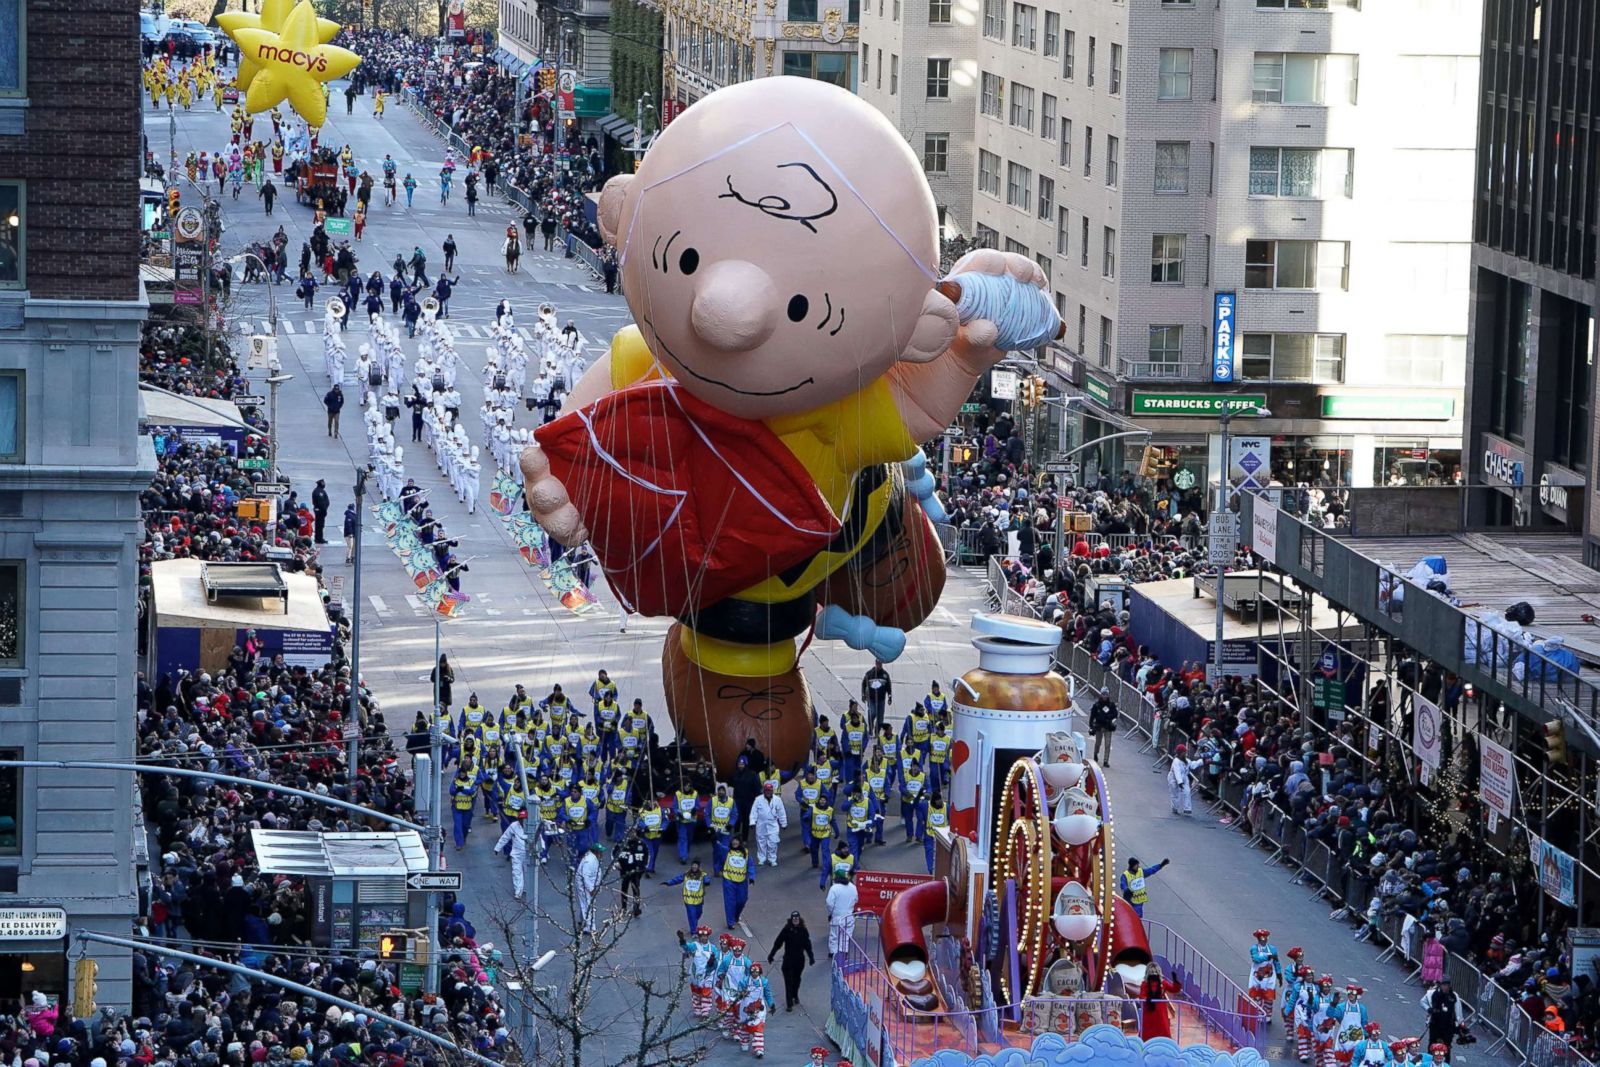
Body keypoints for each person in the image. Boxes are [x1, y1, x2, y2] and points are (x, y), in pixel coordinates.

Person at [766, 911, 815, 1012]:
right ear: (791, 919)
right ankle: (789, 1003)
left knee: (797, 980)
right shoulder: (787, 930)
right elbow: (778, 943)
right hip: (788, 960)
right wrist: (771, 955)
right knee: (788, 982)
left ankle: (795, 995)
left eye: (797, 918)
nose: (795, 920)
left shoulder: (803, 930)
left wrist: (811, 957)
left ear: (799, 919)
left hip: (799, 961)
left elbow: (807, 945)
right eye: (794, 919)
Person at [680, 926, 720, 1018]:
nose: (703, 938)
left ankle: (705, 1012)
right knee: (696, 992)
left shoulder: (713, 948)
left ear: (708, 936)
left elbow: (717, 962)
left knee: (706, 992)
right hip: (695, 974)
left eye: (705, 936)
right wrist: (682, 940)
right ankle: (697, 1009)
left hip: (707, 975)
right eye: (701, 936)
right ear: (699, 936)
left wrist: (712, 963)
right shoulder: (695, 946)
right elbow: (687, 948)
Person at [662, 858, 708, 932]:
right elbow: (677, 879)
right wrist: (668, 883)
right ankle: (693, 931)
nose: (694, 867)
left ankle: (694, 923)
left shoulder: (702, 874)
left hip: (699, 900)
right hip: (688, 900)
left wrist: (706, 880)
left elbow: (707, 880)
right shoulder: (686, 874)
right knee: (692, 915)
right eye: (693, 865)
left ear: (698, 867)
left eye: (696, 865)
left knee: (699, 913)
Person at [749, 780, 787, 867]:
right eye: (766, 791)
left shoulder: (777, 800)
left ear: (772, 791)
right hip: (761, 825)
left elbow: (781, 812)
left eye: (770, 791)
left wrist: (783, 823)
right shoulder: (758, 799)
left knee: (773, 842)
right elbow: (754, 811)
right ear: (764, 791)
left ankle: (772, 859)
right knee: (761, 843)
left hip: (773, 825)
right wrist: (752, 822)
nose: (768, 792)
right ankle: (761, 859)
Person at [1420, 979, 1461, 1058]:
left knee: (1447, 1046)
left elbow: (1458, 1011)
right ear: (1440, 985)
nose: (1446, 987)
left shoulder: (1453, 996)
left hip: (1448, 1025)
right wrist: (1429, 1009)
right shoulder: (1432, 993)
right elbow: (1422, 1002)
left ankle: (1445, 1063)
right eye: (1444, 985)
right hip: (1435, 1024)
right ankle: (1430, 1062)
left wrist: (1458, 1024)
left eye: (1447, 985)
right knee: (1432, 1044)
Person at [494, 809, 531, 899]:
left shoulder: (532, 826)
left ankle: (526, 888)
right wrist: (497, 848)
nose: (522, 821)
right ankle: (518, 891)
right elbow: (505, 837)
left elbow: (538, 837)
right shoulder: (514, 826)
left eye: (524, 819)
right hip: (517, 853)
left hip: (528, 853)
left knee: (527, 871)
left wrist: (541, 849)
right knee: (516, 872)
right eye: (521, 819)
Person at [824, 870, 858, 959]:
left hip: (837, 917)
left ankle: (833, 953)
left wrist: (831, 913)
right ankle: (844, 952)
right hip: (849, 916)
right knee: (846, 936)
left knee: (834, 936)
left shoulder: (834, 888)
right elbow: (856, 900)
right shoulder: (853, 887)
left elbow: (829, 903)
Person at [721, 837, 753, 928]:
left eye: (737, 841)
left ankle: (735, 916)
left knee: (742, 900)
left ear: (740, 842)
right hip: (729, 880)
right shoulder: (727, 851)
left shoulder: (745, 853)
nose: (735, 842)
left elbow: (750, 865)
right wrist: (713, 837)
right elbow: (718, 847)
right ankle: (730, 922)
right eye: (733, 841)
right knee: (730, 902)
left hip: (741, 881)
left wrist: (751, 877)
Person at [617, 828, 648, 916]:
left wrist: (644, 867)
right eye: (629, 832)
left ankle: (636, 908)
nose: (631, 834)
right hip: (625, 870)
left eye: (633, 832)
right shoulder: (621, 843)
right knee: (624, 889)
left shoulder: (641, 844)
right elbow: (614, 853)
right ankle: (624, 908)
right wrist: (616, 862)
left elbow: (647, 855)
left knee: (636, 889)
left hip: (636, 871)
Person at [1168, 742, 1202, 815]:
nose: (1185, 753)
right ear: (1180, 753)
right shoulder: (1176, 761)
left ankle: (1187, 808)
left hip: (1184, 777)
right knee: (1175, 794)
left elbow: (1193, 765)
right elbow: (1177, 772)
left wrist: (1201, 761)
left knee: (1187, 792)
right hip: (1174, 779)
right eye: (1184, 752)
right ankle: (1175, 807)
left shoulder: (1186, 760)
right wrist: (1180, 782)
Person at [575, 842, 602, 931]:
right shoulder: (590, 861)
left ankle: (582, 920)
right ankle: (590, 927)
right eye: (600, 852)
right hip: (585, 886)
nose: (602, 854)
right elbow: (585, 876)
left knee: (585, 902)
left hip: (588, 885)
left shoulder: (592, 858)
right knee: (588, 904)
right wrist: (591, 889)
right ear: (596, 852)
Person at [1089, 687, 1118, 767]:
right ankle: (1095, 754)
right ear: (1101, 694)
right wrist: (1091, 726)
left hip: (1108, 727)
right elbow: (1092, 716)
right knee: (1098, 743)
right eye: (1103, 694)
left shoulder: (1111, 705)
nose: (1105, 696)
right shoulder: (1097, 705)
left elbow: (1115, 714)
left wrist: (1108, 718)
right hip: (1099, 727)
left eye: (1106, 694)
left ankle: (1106, 761)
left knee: (1107, 744)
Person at [861, 659, 892, 733]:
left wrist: (890, 697)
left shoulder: (885, 675)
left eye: (880, 664)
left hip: (881, 699)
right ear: (875, 663)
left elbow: (889, 687)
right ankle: (870, 728)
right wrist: (863, 695)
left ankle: (877, 732)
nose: (879, 665)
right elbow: (863, 684)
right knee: (872, 713)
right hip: (871, 699)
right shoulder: (869, 674)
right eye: (878, 663)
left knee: (880, 718)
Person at [311, 478, 331, 543]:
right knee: (320, 525)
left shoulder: (317, 491)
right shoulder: (320, 492)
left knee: (319, 525)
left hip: (319, 511)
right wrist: (324, 510)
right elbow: (321, 503)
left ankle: (318, 538)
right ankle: (319, 539)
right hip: (320, 511)